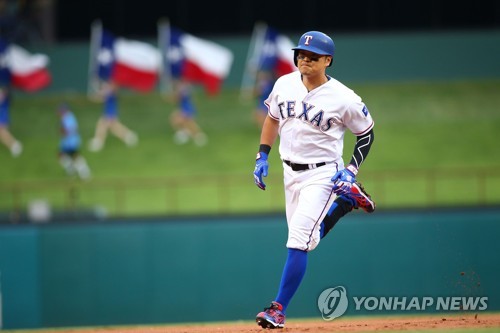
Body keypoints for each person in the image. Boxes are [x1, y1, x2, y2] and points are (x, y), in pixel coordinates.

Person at [252, 31, 376, 329]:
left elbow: (367, 132)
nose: (304, 60)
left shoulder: (344, 98)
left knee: (297, 240)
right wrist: (262, 156)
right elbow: (272, 118)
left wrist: (351, 170)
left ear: (327, 61)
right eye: (301, 54)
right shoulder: (284, 83)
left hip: (323, 174)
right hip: (288, 171)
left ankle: (277, 309)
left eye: (312, 56)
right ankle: (345, 202)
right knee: (308, 240)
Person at [88, 80, 138, 152]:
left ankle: (98, 143)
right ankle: (129, 137)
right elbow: (101, 96)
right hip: (109, 113)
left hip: (110, 113)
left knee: (102, 125)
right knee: (114, 128)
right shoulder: (110, 92)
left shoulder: (111, 93)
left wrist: (96, 95)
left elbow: (102, 96)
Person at [169, 79, 207, 146]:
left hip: (187, 110)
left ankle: (197, 137)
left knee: (183, 122)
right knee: (184, 123)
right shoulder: (184, 90)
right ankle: (189, 135)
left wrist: (169, 97)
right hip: (186, 109)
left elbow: (177, 98)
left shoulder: (183, 91)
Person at [57, 103, 91, 180]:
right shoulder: (67, 117)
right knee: (62, 156)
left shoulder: (68, 118)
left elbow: (69, 130)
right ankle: (73, 170)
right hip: (69, 142)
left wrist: (62, 131)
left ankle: (84, 172)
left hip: (71, 142)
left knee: (75, 157)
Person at [0, 85, 22, 157]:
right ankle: (14, 145)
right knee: (2, 134)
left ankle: (15, 145)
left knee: (2, 132)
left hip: (2, 117)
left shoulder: (5, 100)